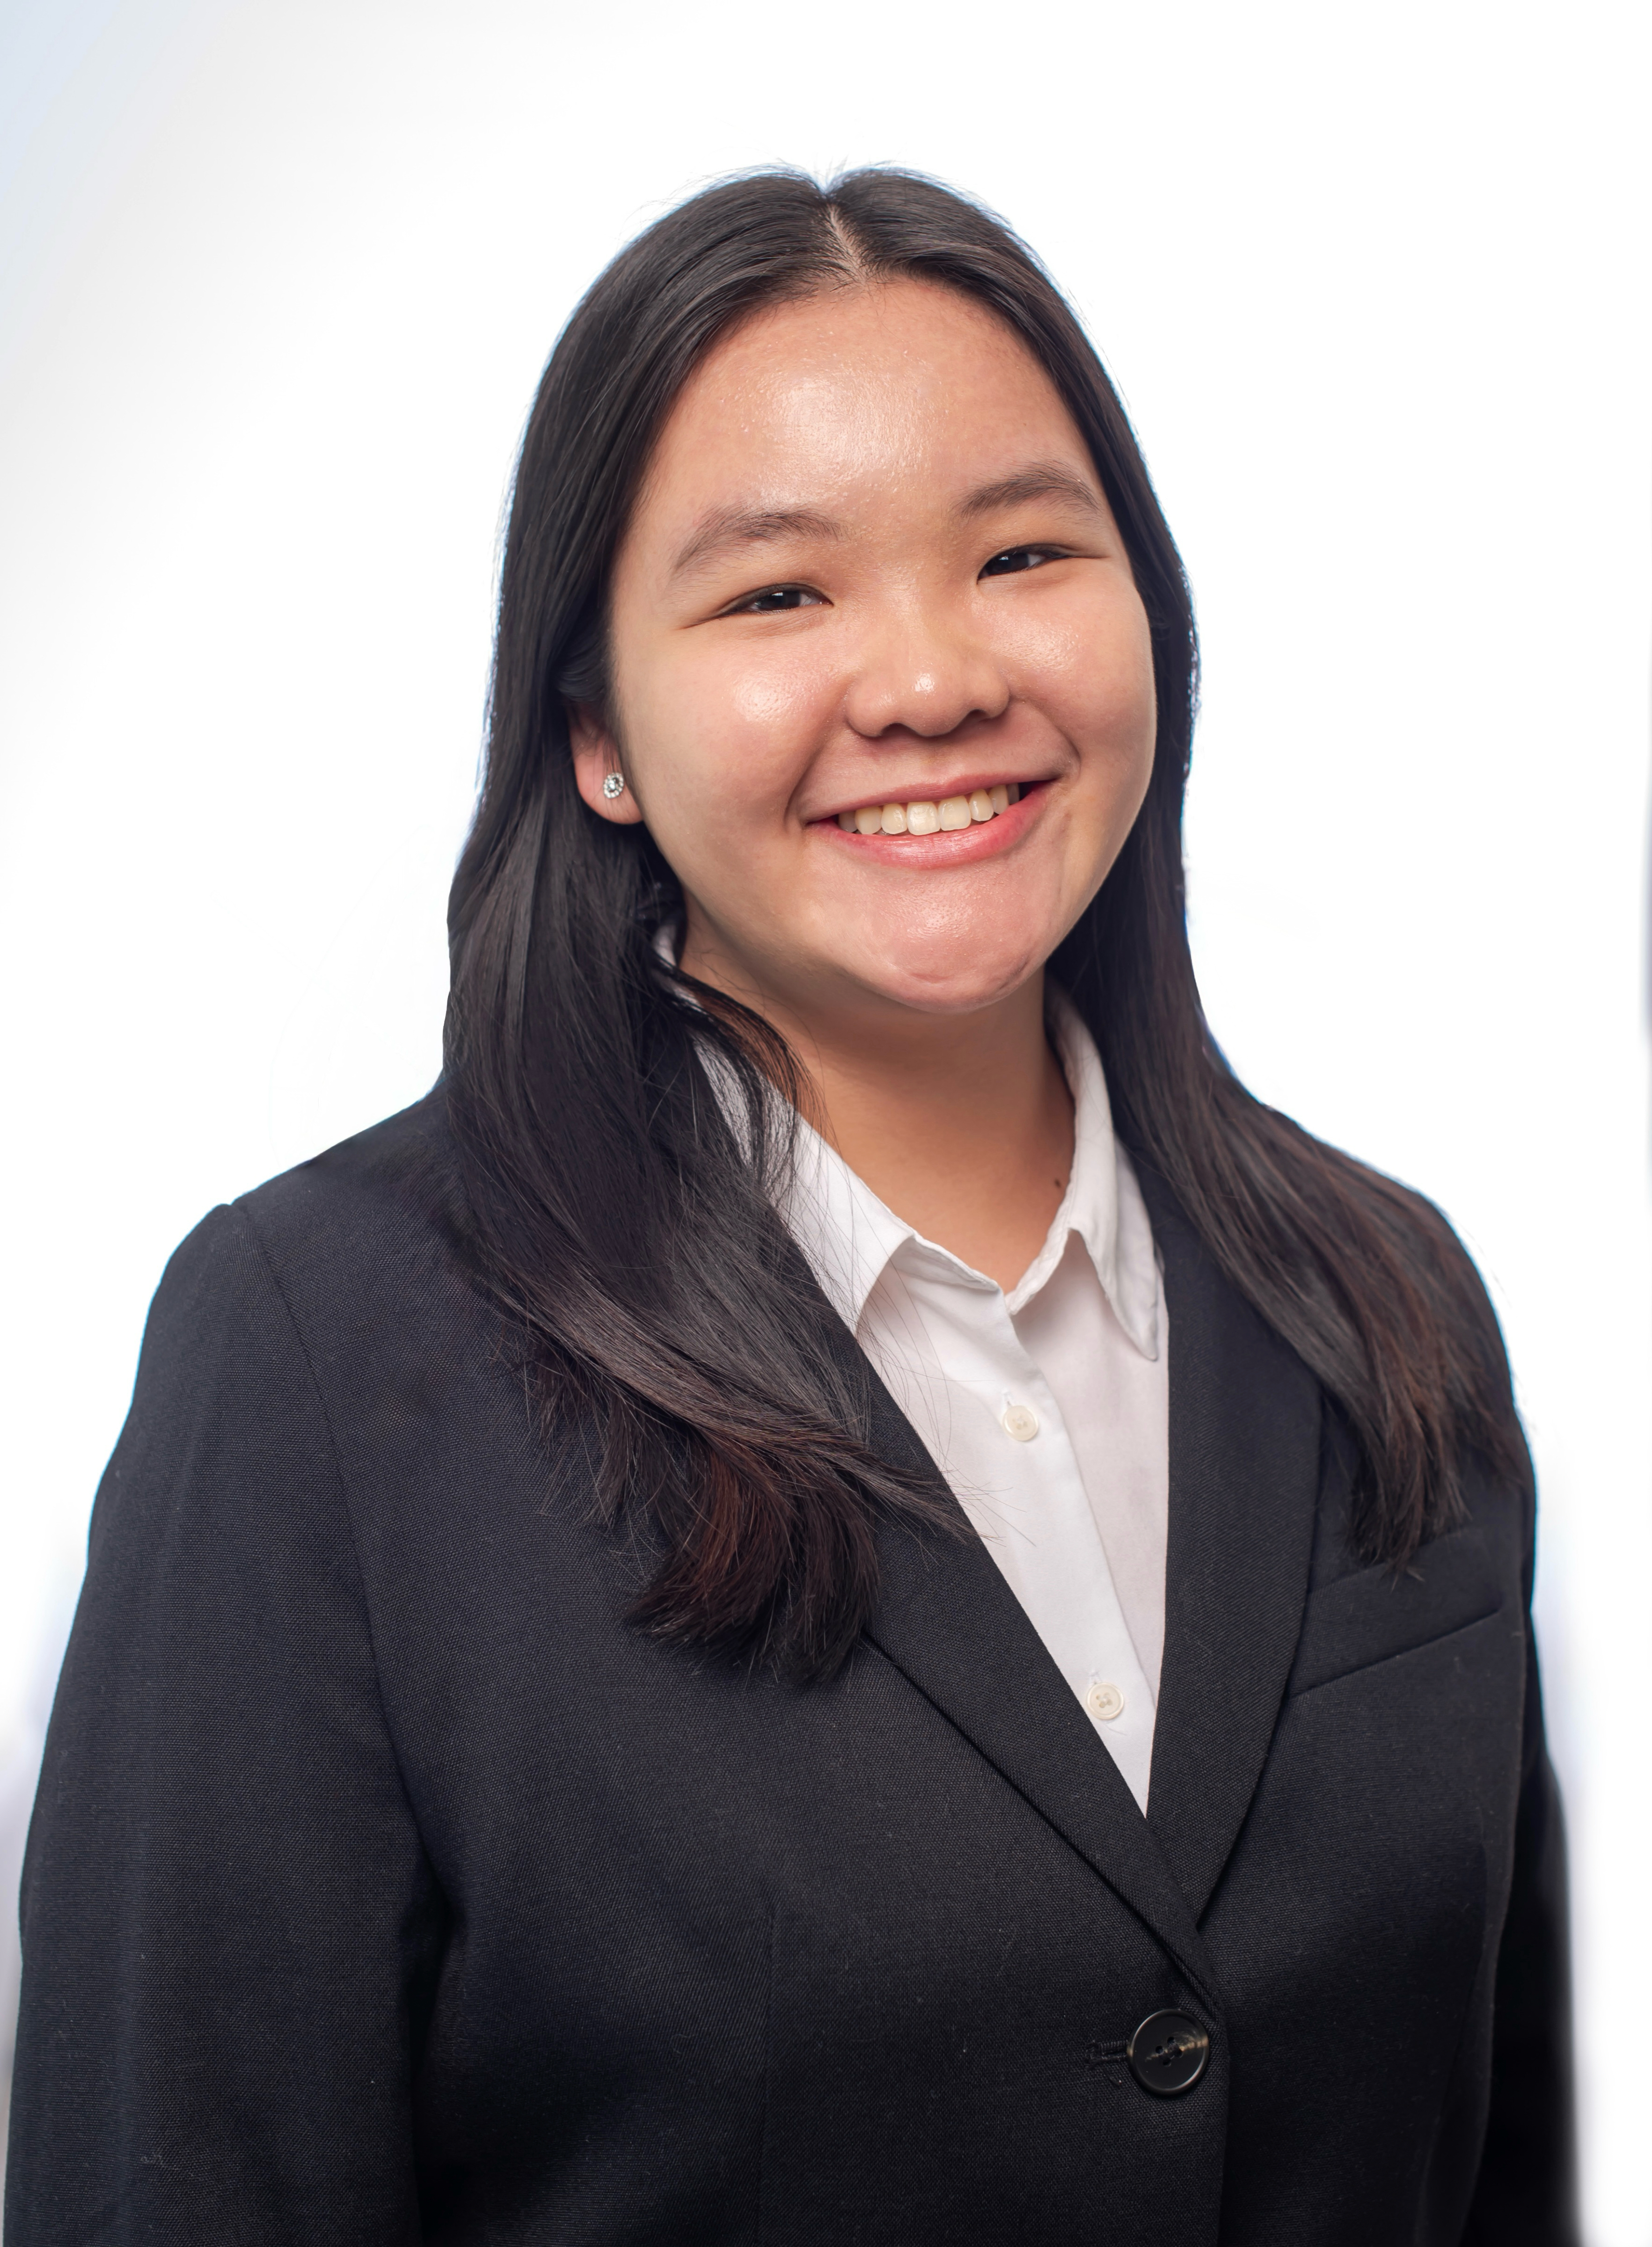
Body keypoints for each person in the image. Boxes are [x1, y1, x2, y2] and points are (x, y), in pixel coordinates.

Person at [5, 169, 1575, 2246]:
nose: (928, 682)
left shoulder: (1384, 1297)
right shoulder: (322, 1352)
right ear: (596, 737)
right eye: (776, 597)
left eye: (1021, 552)